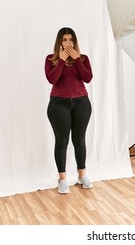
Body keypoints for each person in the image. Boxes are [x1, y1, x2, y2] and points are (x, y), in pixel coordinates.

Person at [45, 27, 93, 194]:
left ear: (75, 41)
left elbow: (88, 78)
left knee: (79, 140)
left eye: (70, 40)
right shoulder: (50, 59)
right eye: (64, 40)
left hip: (81, 103)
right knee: (62, 142)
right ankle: (62, 179)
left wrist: (77, 59)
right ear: (59, 42)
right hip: (58, 105)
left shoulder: (83, 58)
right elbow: (52, 79)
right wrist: (62, 60)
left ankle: (82, 175)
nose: (67, 43)